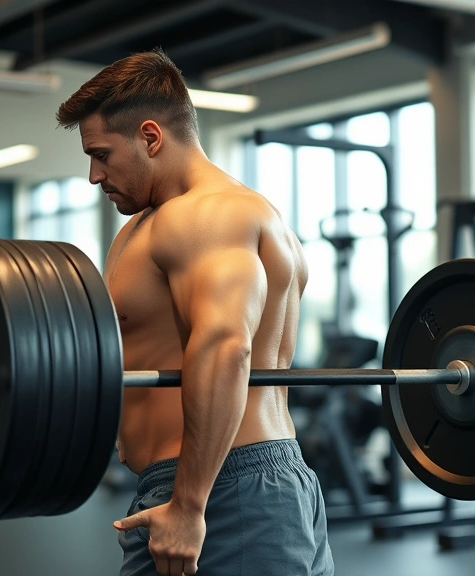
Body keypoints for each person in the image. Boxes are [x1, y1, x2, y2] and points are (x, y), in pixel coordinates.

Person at [57, 50, 332, 576]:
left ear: (151, 137)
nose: (94, 175)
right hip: (237, 482)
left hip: (221, 489)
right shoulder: (172, 221)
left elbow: (226, 345)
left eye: (101, 154)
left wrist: (189, 504)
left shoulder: (207, 216)